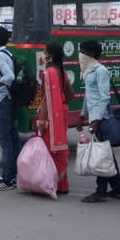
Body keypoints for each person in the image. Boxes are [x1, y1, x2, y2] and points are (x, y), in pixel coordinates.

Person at [78, 40, 120, 203]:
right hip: (94, 118)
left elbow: (104, 97)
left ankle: (101, 191)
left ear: (91, 54)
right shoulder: (88, 71)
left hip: (102, 118)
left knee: (102, 154)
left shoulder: (101, 71)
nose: (80, 55)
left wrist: (96, 120)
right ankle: (117, 189)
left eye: (83, 52)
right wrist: (82, 115)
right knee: (106, 154)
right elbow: (89, 95)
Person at [35, 42, 75, 194]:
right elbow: (71, 95)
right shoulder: (62, 72)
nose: (43, 56)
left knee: (50, 148)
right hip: (62, 112)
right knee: (60, 146)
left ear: (50, 56)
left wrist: (41, 120)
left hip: (50, 116)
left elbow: (45, 100)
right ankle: (62, 185)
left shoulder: (48, 73)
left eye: (45, 53)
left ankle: (50, 182)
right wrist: (61, 103)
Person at [0, 27, 21, 191]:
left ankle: (7, 178)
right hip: (11, 99)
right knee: (13, 139)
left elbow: (9, 76)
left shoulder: (0, 55)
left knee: (6, 140)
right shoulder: (9, 53)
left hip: (3, 100)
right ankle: (15, 175)